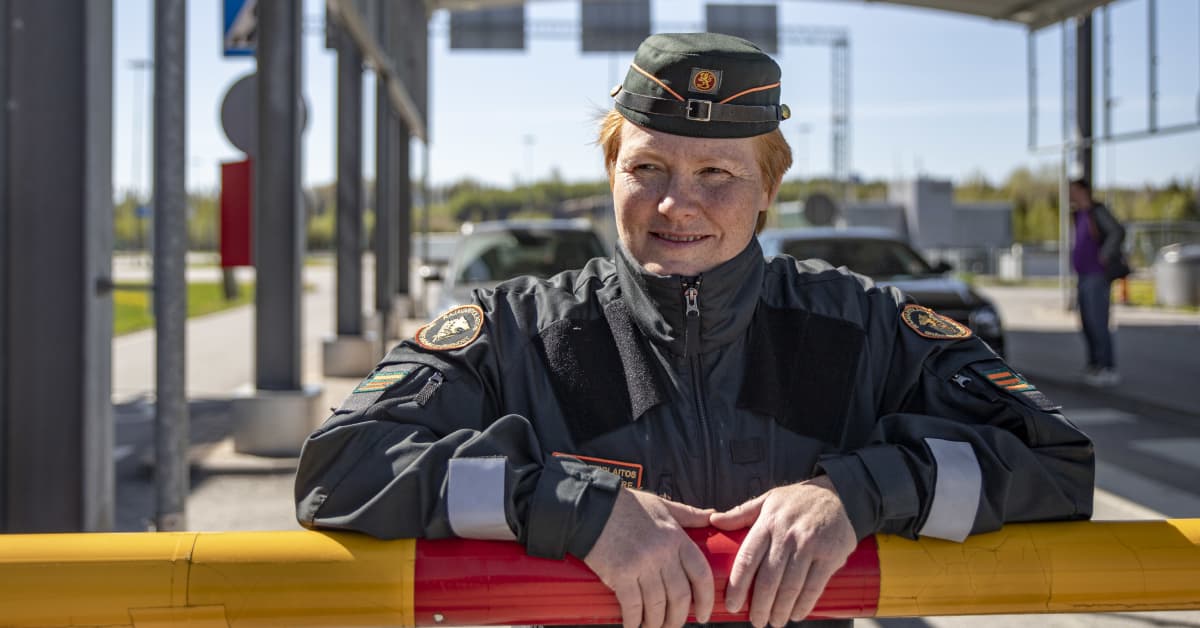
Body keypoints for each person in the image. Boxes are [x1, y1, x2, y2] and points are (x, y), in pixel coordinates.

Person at [295, 33, 1094, 628]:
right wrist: (571, 505)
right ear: (611, 172)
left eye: (717, 175)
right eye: (647, 169)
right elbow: (339, 473)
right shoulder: (514, 329)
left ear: (768, 188)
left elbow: (1057, 468)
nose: (678, 205)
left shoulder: (862, 325)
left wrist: (860, 492)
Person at [1069, 178, 1126, 387]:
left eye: (1073, 191)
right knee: (1086, 322)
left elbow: (1117, 231)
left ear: (1083, 191)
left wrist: (1105, 254)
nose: (1070, 195)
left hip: (1097, 275)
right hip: (1083, 275)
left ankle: (1107, 367)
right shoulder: (1078, 215)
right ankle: (1094, 365)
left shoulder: (1096, 211)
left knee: (1098, 321)